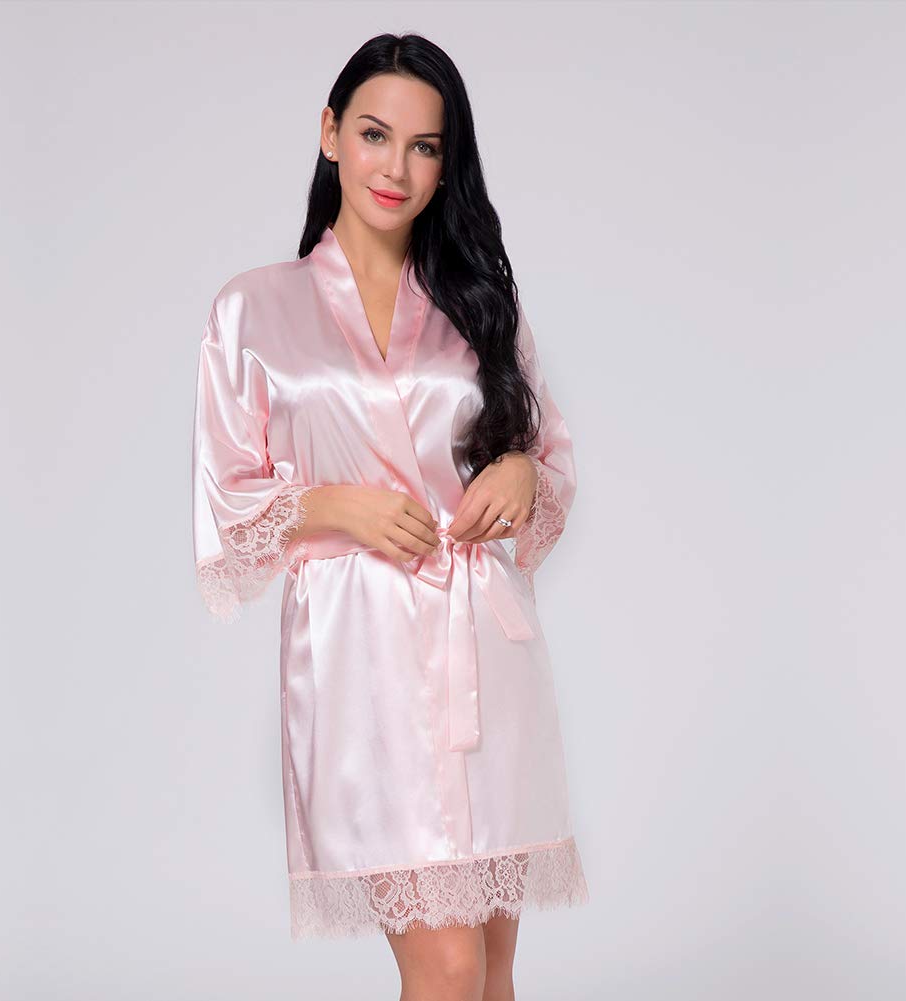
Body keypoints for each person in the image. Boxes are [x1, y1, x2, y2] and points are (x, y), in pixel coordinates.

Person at [191, 32, 589, 1001]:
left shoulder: (477, 306)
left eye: (424, 146)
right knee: (444, 965)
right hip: (361, 661)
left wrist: (519, 473)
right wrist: (332, 505)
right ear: (330, 133)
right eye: (374, 135)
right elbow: (227, 504)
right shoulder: (253, 309)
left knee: (490, 969)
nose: (395, 168)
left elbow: (545, 459)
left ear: (446, 164)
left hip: (484, 652)